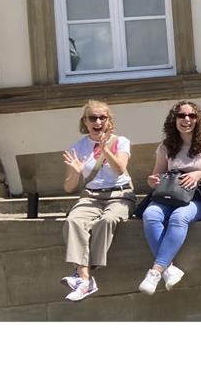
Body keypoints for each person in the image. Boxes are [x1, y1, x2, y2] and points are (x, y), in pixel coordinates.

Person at [138, 100, 201, 295]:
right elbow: (157, 176)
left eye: (192, 116)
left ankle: (155, 271)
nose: (187, 120)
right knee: (150, 214)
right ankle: (169, 269)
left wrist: (198, 174)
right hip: (170, 196)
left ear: (198, 119)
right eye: (182, 116)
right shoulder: (166, 146)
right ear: (174, 119)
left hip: (199, 198)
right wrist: (153, 180)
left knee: (179, 217)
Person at [59, 99, 136, 302]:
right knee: (73, 220)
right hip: (92, 196)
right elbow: (68, 187)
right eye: (93, 118)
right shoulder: (78, 147)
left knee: (107, 221)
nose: (98, 121)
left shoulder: (121, 141)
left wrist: (105, 150)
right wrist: (75, 173)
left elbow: (120, 168)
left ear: (109, 121)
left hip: (119, 195)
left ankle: (85, 272)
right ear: (85, 121)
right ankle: (85, 279)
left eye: (103, 117)